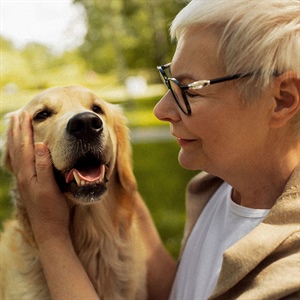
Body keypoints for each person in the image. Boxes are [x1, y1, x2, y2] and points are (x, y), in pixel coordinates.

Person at [6, 0, 300, 299]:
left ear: (281, 100)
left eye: (190, 89)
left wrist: (51, 235)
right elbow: (179, 292)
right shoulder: (217, 191)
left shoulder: (290, 275)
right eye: (169, 81)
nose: (161, 109)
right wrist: (122, 180)